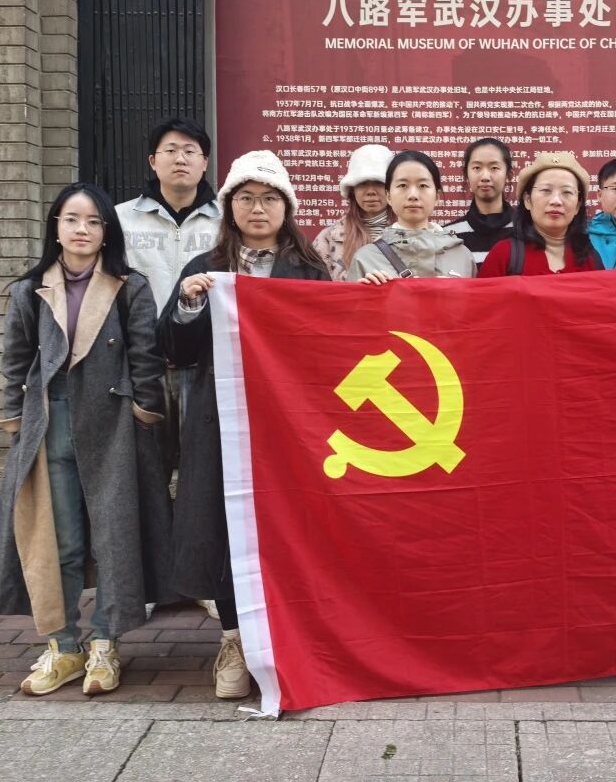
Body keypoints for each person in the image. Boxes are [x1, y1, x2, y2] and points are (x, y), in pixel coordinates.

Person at [0, 182, 171, 697]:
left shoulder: (129, 286)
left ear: (106, 231)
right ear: (56, 227)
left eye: (92, 221)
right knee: (58, 539)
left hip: (113, 425)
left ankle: (106, 644)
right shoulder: (29, 289)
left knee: (113, 539)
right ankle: (64, 646)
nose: (81, 229)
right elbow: (16, 361)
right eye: (71, 219)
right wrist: (16, 421)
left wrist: (143, 413)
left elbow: (146, 357)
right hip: (50, 423)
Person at [160, 151, 330, 699]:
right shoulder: (206, 268)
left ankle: (291, 638)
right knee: (224, 526)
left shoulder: (310, 270)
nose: (258, 208)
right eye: (246, 198)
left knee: (289, 527)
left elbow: (329, 347)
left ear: (287, 207)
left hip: (289, 425)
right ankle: (234, 638)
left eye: (270, 198)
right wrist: (188, 305)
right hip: (221, 421)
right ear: (230, 206)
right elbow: (174, 349)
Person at [115, 116, 222, 621]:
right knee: (148, 477)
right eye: (171, 150)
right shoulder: (119, 221)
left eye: (191, 151)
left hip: (206, 367)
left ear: (205, 163)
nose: (181, 158)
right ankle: (156, 580)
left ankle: (201, 577)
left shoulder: (226, 222)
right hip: (144, 368)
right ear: (152, 160)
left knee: (203, 477)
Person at [348, 151, 476, 282]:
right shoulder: (366, 258)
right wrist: (364, 291)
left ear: (437, 197)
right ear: (389, 196)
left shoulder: (462, 256)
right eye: (402, 185)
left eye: (423, 186)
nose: (413, 195)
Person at [478, 152, 603, 276]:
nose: (556, 201)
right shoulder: (504, 255)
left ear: (578, 206)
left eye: (567, 192)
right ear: (527, 200)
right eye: (546, 190)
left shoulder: (591, 258)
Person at [312, 143, 396, 281]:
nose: (370, 191)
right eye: (362, 183)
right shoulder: (328, 238)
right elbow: (317, 289)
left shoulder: (411, 233)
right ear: (352, 189)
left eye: (378, 183)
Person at [444, 137, 515, 265]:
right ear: (466, 176)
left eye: (494, 168)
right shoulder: (448, 235)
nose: (485, 177)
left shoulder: (526, 230)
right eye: (477, 168)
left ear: (508, 176)